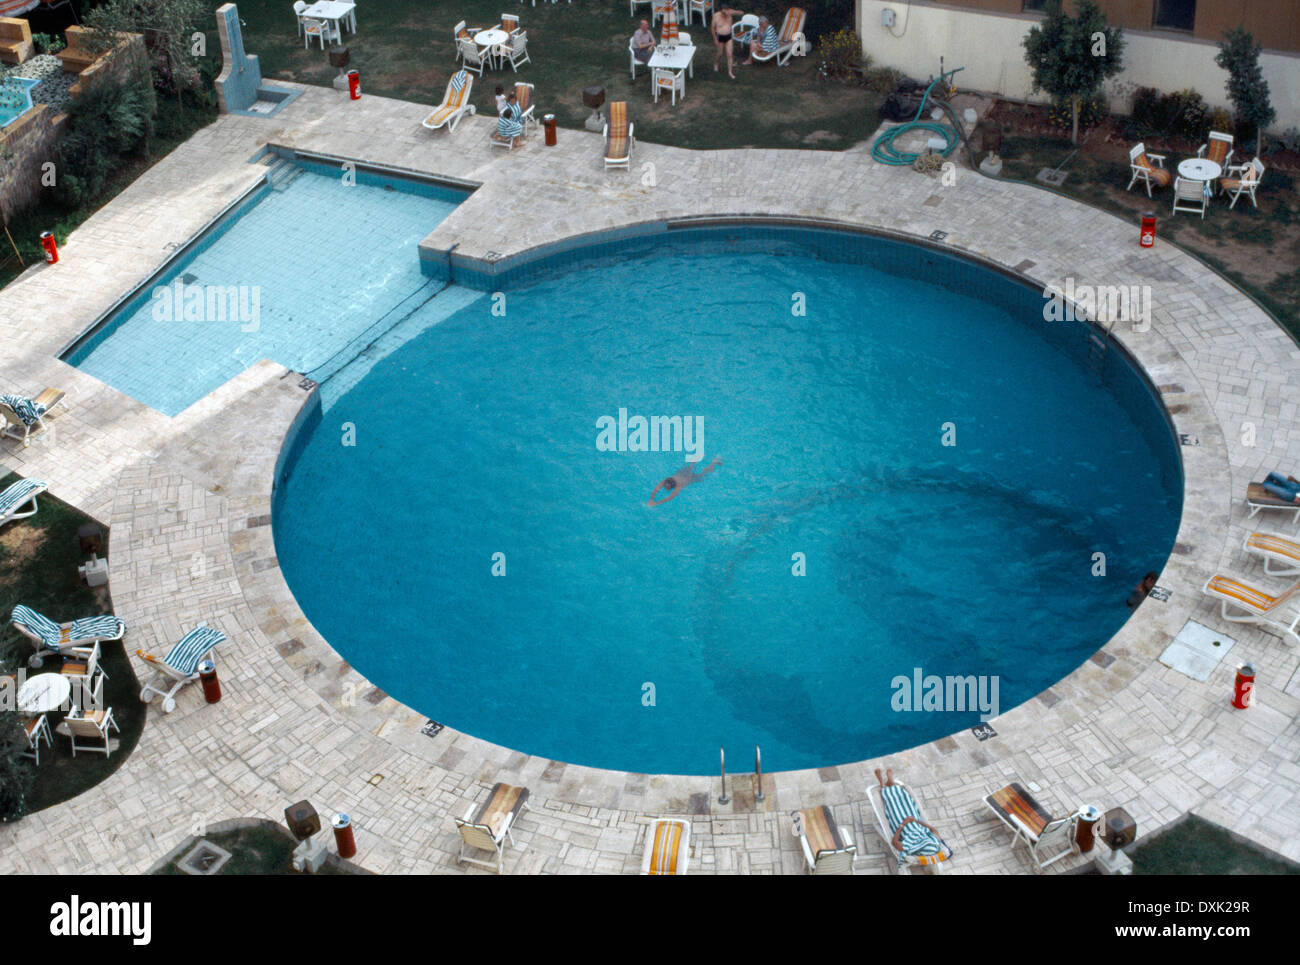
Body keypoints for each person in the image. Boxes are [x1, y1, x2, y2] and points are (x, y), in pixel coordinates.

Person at [874, 769, 950, 861]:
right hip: (916, 823)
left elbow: (895, 842)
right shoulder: (935, 844)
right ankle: (892, 784)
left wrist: (903, 824)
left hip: (901, 824)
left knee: (893, 806)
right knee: (907, 802)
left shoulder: (911, 848)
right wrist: (916, 820)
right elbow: (933, 830)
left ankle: (883, 784)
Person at [648, 456, 722, 506]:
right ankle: (697, 458)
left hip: (689, 478)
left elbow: (670, 497)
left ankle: (714, 463)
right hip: (682, 473)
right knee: (690, 467)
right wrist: (651, 499)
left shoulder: (679, 486)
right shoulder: (667, 479)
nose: (665, 488)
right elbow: (656, 489)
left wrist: (657, 503)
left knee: (702, 475)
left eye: (667, 487)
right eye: (666, 486)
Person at [710, 7, 744, 79]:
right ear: (722, 10)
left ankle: (730, 72)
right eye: (724, 11)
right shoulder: (716, 16)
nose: (726, 13)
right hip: (720, 37)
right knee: (720, 53)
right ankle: (716, 63)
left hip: (728, 37)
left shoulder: (730, 13)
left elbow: (741, 12)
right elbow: (712, 28)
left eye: (727, 10)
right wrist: (715, 39)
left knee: (729, 54)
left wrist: (735, 12)